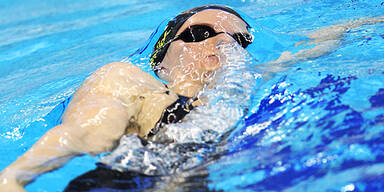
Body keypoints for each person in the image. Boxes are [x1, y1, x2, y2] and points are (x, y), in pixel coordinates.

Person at [0, 4, 382, 191]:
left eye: (239, 39)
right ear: (160, 58)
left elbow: (327, 37)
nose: (223, 43)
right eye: (200, 33)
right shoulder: (133, 82)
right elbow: (87, 133)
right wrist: (16, 177)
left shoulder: (259, 82)